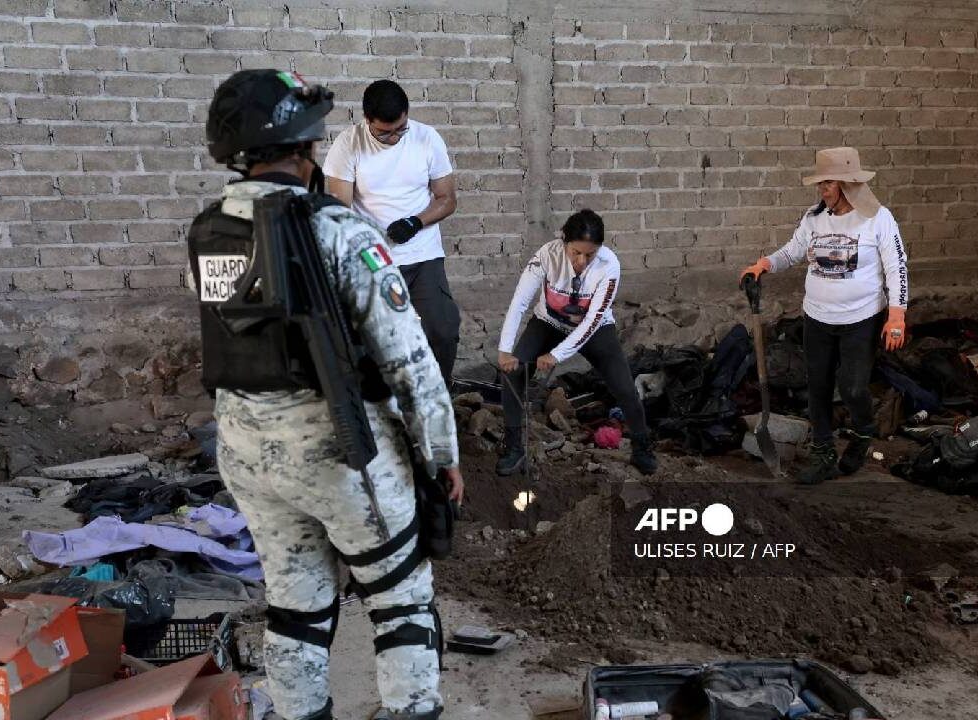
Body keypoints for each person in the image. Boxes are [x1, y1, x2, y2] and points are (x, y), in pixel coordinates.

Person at [191, 69, 462, 720]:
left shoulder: (207, 231)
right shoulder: (341, 232)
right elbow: (412, 365)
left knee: (296, 609)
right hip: (341, 453)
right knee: (401, 601)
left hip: (248, 458)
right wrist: (441, 456)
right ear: (304, 148)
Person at [740, 147, 909, 485]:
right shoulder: (814, 217)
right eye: (821, 183)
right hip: (817, 317)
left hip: (861, 319)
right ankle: (823, 453)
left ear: (848, 184)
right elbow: (793, 251)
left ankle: (863, 430)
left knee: (853, 386)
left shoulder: (878, 218)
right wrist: (764, 264)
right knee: (817, 386)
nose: (822, 189)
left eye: (828, 183)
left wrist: (897, 315)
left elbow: (897, 266)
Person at [496, 209, 658, 476]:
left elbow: (592, 321)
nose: (582, 261)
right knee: (512, 375)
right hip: (547, 322)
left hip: (594, 329)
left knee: (626, 389)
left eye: (589, 254)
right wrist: (504, 350)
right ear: (564, 243)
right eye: (576, 253)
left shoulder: (609, 265)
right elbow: (520, 303)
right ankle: (514, 448)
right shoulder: (546, 256)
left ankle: (642, 447)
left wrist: (557, 355)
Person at [324, 79, 461, 385]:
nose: (394, 138)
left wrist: (416, 222)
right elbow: (339, 211)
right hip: (373, 258)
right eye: (383, 132)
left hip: (422, 254)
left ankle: (438, 394)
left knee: (443, 327)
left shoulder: (427, 138)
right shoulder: (348, 145)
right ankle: (378, 408)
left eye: (401, 128)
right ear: (367, 120)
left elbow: (447, 199)